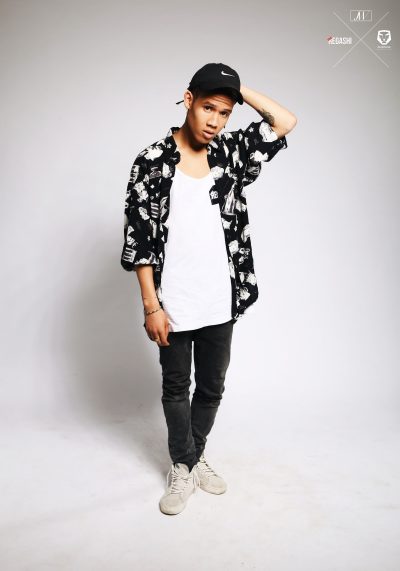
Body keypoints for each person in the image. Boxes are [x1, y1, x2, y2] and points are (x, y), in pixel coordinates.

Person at [120, 63, 297, 515]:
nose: (215, 121)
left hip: (221, 296)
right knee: (176, 386)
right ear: (188, 100)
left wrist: (235, 88)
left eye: (225, 112)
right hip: (173, 301)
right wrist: (151, 305)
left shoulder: (231, 153)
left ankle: (191, 456)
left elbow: (284, 121)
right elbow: (139, 240)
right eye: (208, 107)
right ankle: (184, 465)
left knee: (212, 388)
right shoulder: (152, 160)